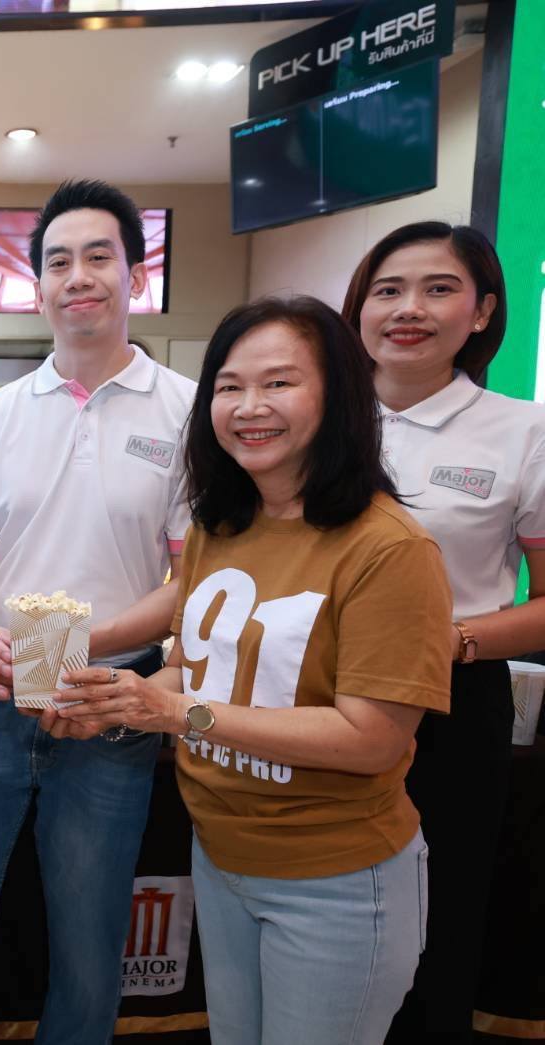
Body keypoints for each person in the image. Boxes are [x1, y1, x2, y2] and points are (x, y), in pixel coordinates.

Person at [52, 295, 452, 1044]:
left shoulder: (390, 549)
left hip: (334, 877)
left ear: (337, 394)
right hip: (221, 856)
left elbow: (371, 738)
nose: (248, 407)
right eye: (229, 386)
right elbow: (195, 670)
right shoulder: (220, 523)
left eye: (279, 382)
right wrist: (116, 700)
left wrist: (177, 714)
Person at [0, 179, 196, 1044]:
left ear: (133, 276)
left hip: (111, 701)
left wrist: (80, 645)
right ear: (36, 286)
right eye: (59, 261)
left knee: (90, 934)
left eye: (98, 257)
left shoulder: (186, 410)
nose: (78, 276)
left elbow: (190, 580)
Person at [342, 222, 545, 1044]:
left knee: (437, 919)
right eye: (387, 290)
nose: (408, 309)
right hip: (309, 694)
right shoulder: (316, 419)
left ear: (482, 310)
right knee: (317, 909)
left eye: (437, 289)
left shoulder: (521, 431)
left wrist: (452, 642)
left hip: (450, 701)